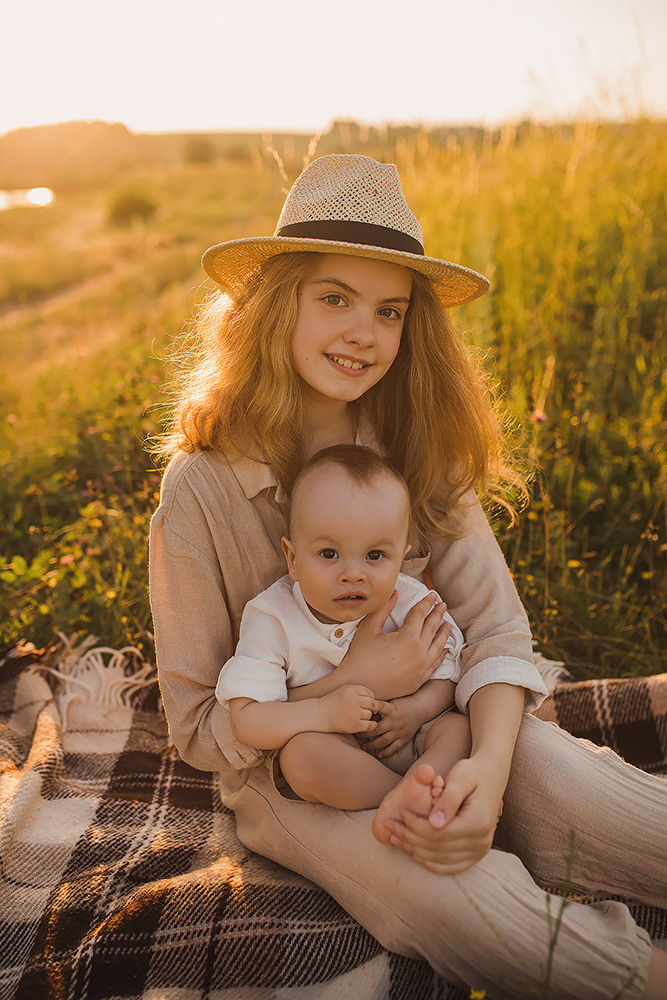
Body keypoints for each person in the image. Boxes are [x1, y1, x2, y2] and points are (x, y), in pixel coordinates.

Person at [150, 153, 667, 998]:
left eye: (388, 311)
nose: (363, 332)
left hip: (443, 725)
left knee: (589, 796)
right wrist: (352, 683)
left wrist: (488, 773)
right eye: (334, 299)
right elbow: (199, 724)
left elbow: (497, 631)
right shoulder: (200, 487)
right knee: (450, 898)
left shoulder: (414, 443)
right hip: (296, 772)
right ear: (275, 305)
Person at [216, 443, 473, 825]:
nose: (353, 574)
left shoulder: (413, 603)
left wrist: (415, 711)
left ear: (401, 557)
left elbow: (450, 671)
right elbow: (247, 720)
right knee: (302, 758)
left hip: (411, 736)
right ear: (292, 558)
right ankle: (406, 800)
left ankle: (428, 793)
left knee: (458, 729)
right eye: (329, 554)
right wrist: (323, 712)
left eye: (374, 556)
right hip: (337, 752)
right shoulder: (274, 617)